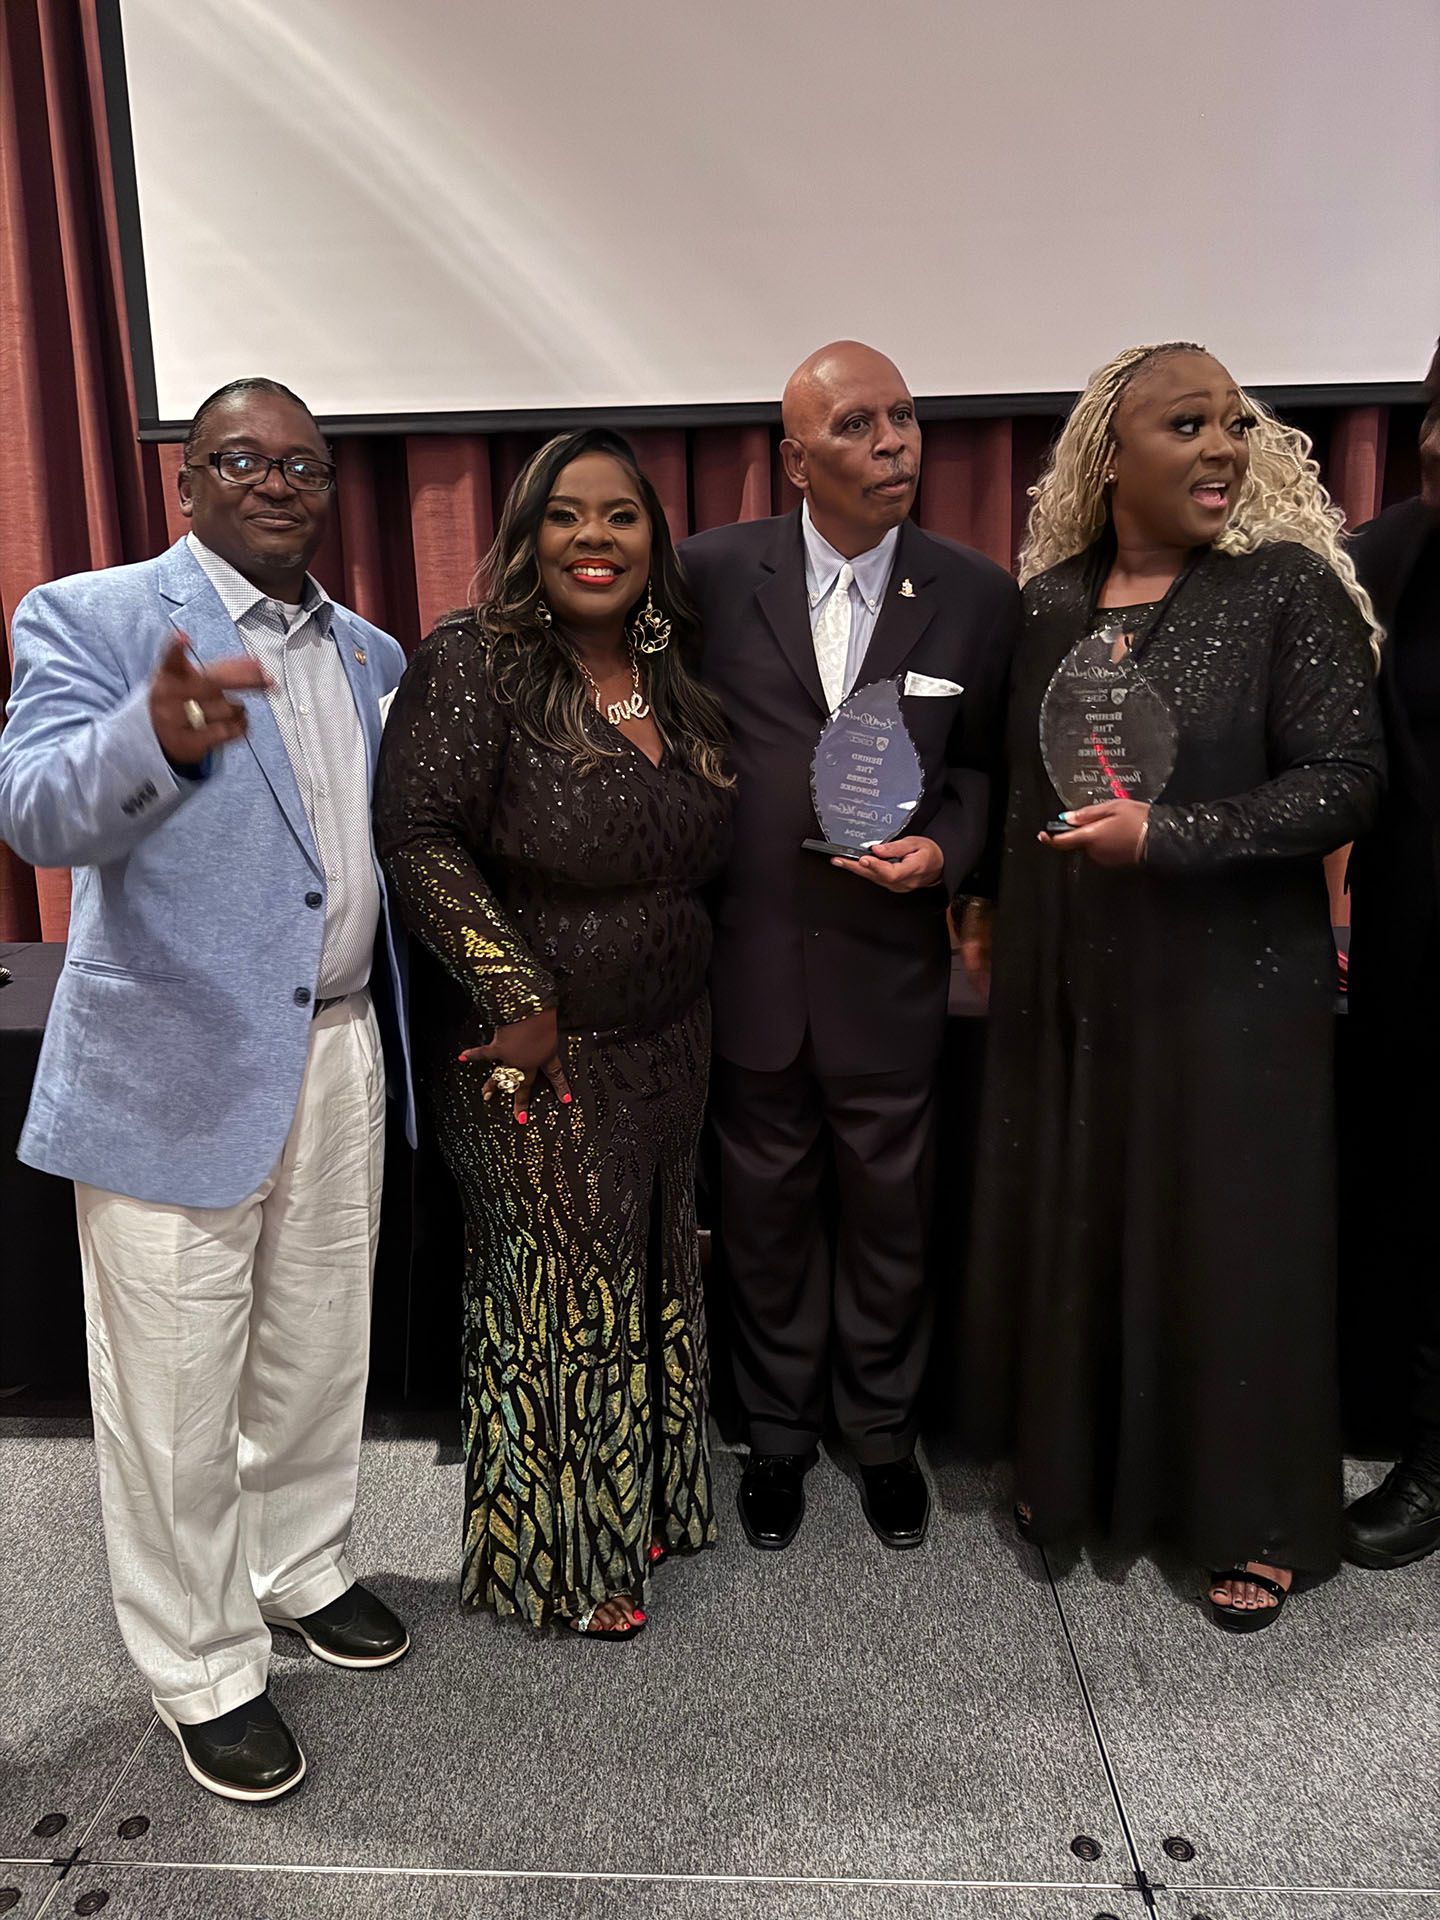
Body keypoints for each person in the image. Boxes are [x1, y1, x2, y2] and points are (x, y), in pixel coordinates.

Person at [0, 379, 413, 1800]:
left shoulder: (371, 650)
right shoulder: (92, 616)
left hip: (343, 1045)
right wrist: (157, 738)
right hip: (170, 1060)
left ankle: (298, 1565)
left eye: (307, 463)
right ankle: (201, 1664)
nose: (280, 482)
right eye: (244, 458)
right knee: (175, 1388)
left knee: (316, 1347)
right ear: (187, 483)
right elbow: (38, 811)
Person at [959, 342, 1385, 1630]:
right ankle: (1078, 1472)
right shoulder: (1046, 608)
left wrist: (1172, 837)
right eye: (1186, 424)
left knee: (1230, 1242)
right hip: (1077, 987)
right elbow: (1024, 793)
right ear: (1110, 457)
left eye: (1235, 426)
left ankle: (1248, 1515)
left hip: (1234, 992)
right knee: (1082, 1210)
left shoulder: (1284, 590)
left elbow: (1346, 782)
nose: (1221, 449)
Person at [374, 428, 733, 1638]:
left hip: (669, 1045)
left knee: (646, 1277)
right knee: (558, 1301)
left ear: (653, 539)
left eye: (622, 515)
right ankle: (562, 1560)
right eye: (567, 515)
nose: (596, 538)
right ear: (527, 536)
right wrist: (516, 995)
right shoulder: (475, 663)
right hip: (538, 1055)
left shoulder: (671, 671)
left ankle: (639, 1502)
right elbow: (418, 837)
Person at [679, 341, 1019, 1552]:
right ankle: (775, 1431)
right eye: (862, 426)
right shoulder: (709, 576)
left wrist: (949, 852)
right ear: (795, 457)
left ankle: (879, 1433)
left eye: (908, 421)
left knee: (890, 1213)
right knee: (763, 1212)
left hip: (889, 970)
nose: (896, 446)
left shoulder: (975, 593)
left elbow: (983, 770)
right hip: (752, 967)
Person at [1344, 335, 1440, 1569]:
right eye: (1433, 410)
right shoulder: (1381, 561)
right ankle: (1430, 1448)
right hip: (1415, 946)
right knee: (1424, 1198)